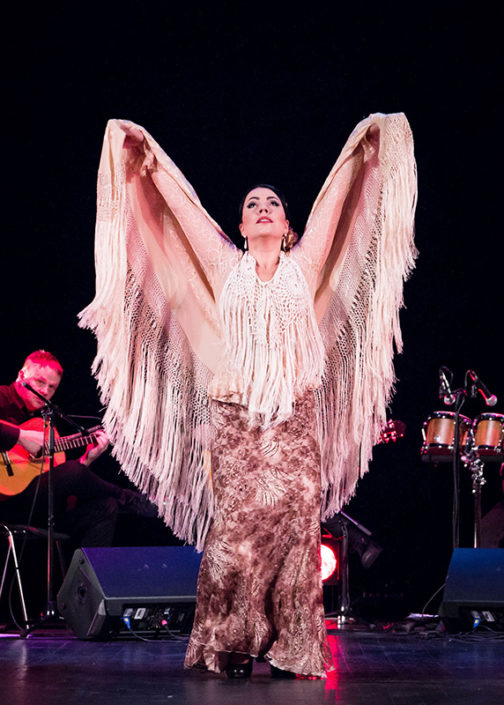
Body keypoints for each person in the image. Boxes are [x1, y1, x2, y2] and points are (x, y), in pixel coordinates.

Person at [80, 113, 417, 677]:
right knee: (234, 539)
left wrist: (365, 151)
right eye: (252, 204)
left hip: (292, 423)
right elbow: (179, 219)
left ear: (287, 224)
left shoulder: (305, 266)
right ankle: (229, 643)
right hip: (237, 423)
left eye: (272, 204)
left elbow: (339, 203)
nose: (262, 208)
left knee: (295, 538)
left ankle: (293, 648)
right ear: (239, 225)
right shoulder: (224, 265)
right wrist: (149, 162)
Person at [0, 350, 157, 548]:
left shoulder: (44, 422)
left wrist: (87, 460)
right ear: (22, 375)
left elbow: (57, 484)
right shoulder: (2, 398)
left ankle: (84, 579)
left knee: (106, 507)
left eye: (52, 387)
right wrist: (21, 437)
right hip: (6, 505)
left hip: (33, 507)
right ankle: (131, 499)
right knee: (73, 470)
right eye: (40, 382)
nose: (45, 391)